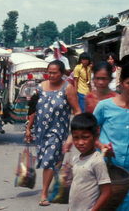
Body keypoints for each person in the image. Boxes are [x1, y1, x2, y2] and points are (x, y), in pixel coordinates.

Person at [25, 60, 81, 207]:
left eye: (54, 72)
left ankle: (44, 193)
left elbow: (77, 110)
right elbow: (33, 109)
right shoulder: (40, 87)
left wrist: (77, 130)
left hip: (58, 131)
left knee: (49, 158)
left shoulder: (68, 89)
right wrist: (28, 128)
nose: (51, 75)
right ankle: (56, 185)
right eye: (49, 72)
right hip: (41, 131)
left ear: (62, 73)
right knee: (53, 159)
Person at [93, 63, 129, 211]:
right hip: (108, 169)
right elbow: (88, 134)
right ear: (121, 83)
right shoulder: (104, 106)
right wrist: (101, 146)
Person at [68, 113, 111, 211]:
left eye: (85, 137)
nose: (80, 143)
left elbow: (106, 191)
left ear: (95, 136)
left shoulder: (97, 161)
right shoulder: (76, 159)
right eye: (76, 138)